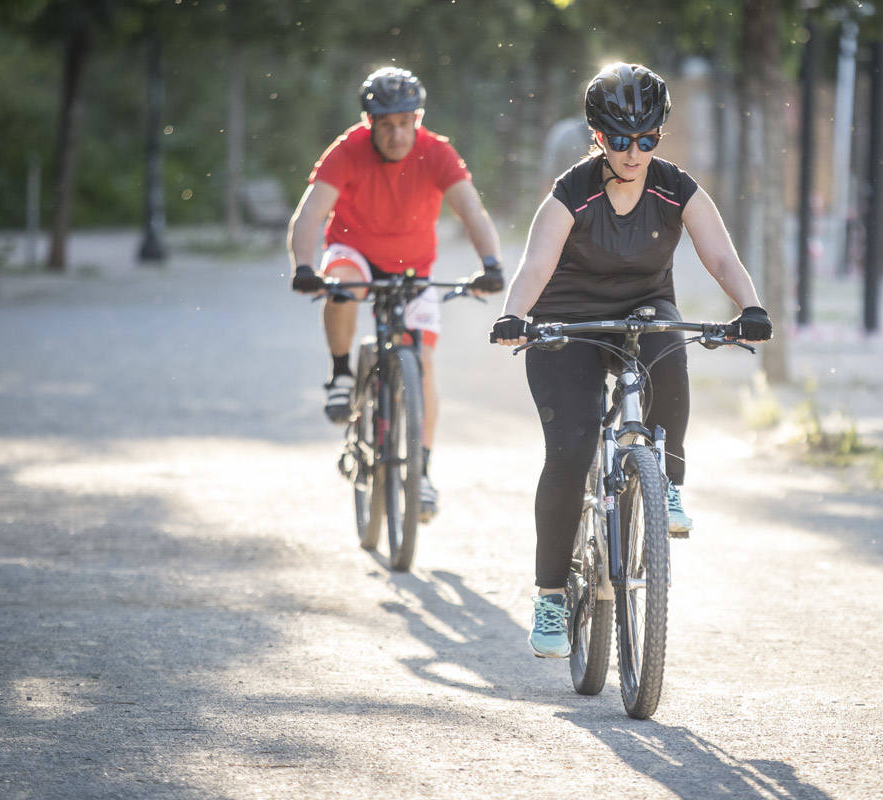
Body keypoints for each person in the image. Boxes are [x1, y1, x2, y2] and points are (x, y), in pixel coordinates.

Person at [489, 62, 772, 658]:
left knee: (670, 342)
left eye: (647, 139)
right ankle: (550, 595)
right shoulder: (571, 193)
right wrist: (515, 316)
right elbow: (535, 265)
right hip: (568, 321)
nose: (635, 152)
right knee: (568, 449)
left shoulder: (677, 188)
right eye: (621, 140)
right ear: (598, 137)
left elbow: (720, 256)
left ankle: (667, 483)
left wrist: (749, 305)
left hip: (643, 309)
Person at [289, 67, 504, 520]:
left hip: (413, 266)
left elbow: (472, 210)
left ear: (418, 118)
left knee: (422, 363)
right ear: (369, 122)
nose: (397, 134)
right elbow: (309, 214)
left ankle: (420, 473)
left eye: (405, 122)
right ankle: (342, 374)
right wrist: (305, 267)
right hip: (355, 250)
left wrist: (490, 265)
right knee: (341, 283)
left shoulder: (437, 151)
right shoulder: (347, 150)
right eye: (386, 124)